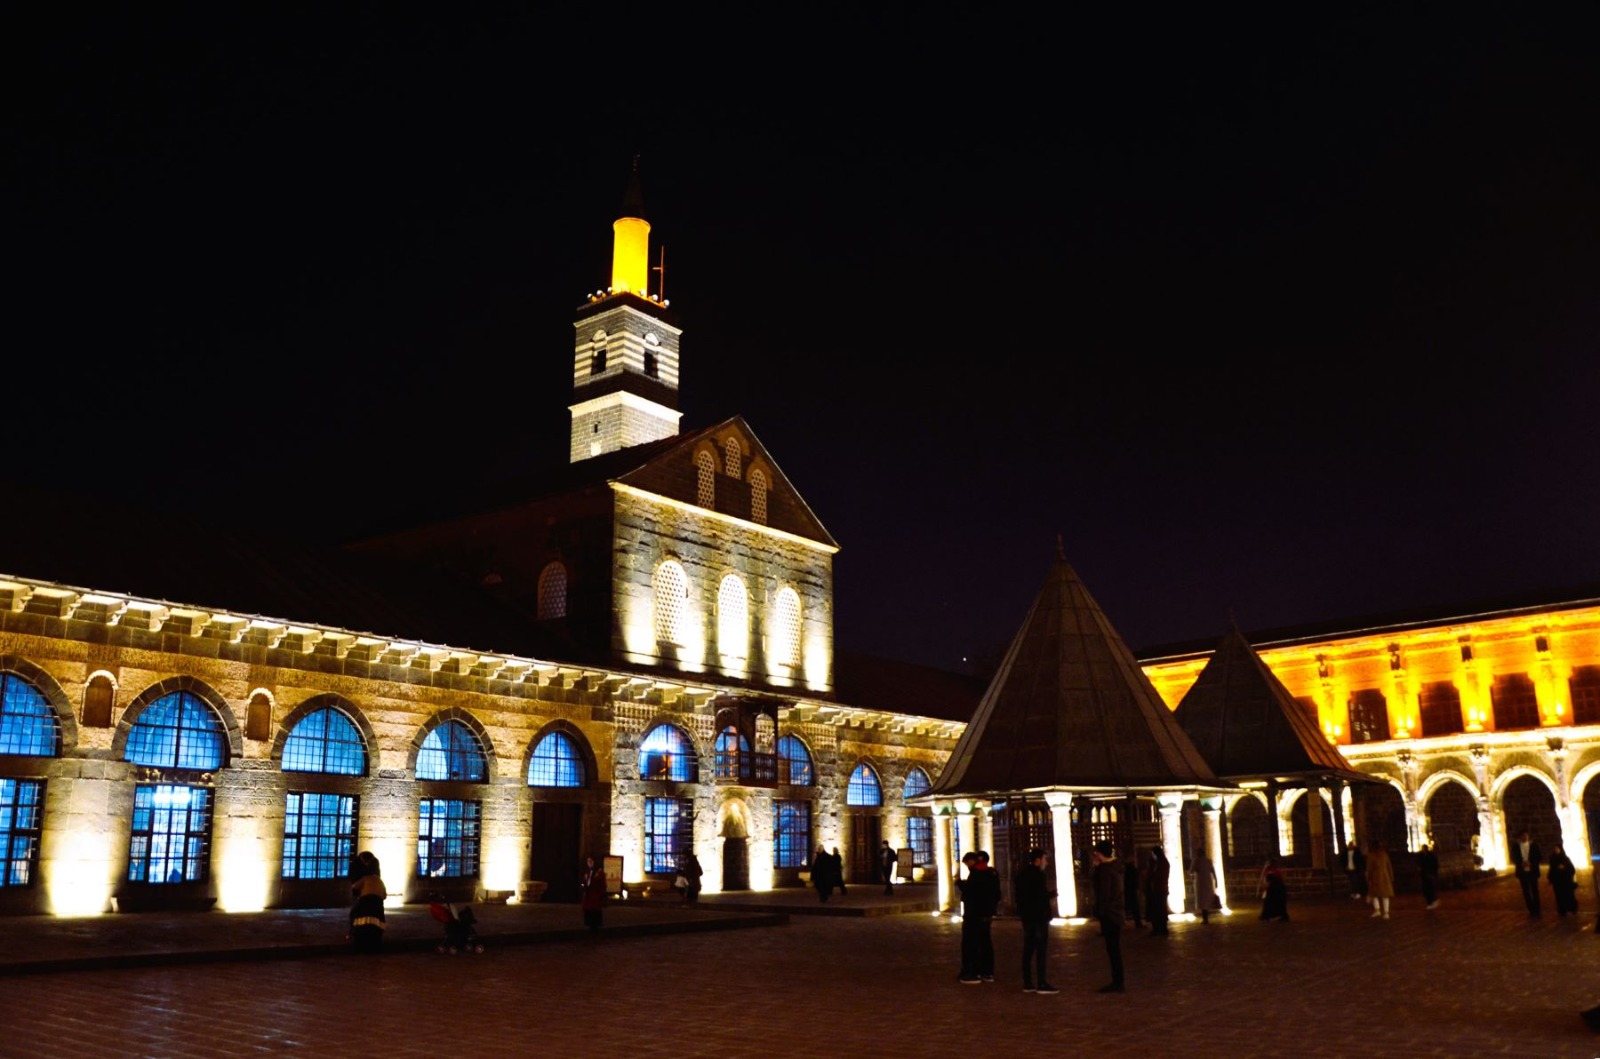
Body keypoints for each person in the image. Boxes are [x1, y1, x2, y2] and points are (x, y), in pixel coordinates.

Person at [1013, 847, 1059, 994]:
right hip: (1039, 917)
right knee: (1041, 951)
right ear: (1038, 860)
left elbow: (1022, 897)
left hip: (1027, 917)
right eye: (1044, 859)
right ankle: (1042, 983)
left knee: (1028, 949)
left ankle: (1027, 982)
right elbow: (1038, 897)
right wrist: (1050, 895)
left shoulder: (1021, 874)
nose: (1046, 862)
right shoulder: (1038, 875)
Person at [956, 850, 1000, 984]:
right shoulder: (992, 873)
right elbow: (997, 895)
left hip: (973, 915)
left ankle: (971, 973)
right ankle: (987, 972)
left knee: (971, 943)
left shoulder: (977, 874)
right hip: (986, 914)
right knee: (985, 942)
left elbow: (970, 891)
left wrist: (960, 883)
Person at [1091, 840, 1125, 993]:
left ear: (1099, 853)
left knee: (1112, 950)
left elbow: (1103, 892)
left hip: (1110, 914)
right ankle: (1118, 981)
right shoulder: (1116, 867)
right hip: (1117, 912)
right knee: (1114, 949)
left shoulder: (1105, 870)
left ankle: (1117, 982)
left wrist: (1100, 912)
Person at [349, 850, 386, 953]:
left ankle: (353, 935)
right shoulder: (378, 879)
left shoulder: (366, 876)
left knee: (356, 915)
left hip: (364, 896)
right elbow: (384, 894)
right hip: (374, 899)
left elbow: (354, 884)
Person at [1511, 830, 1542, 917]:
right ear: (1520, 837)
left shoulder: (1534, 846)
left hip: (1532, 871)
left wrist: (1531, 862)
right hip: (1522, 872)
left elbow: (1539, 857)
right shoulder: (1516, 847)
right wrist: (1521, 863)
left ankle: (1537, 909)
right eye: (1522, 836)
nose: (1524, 837)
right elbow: (1514, 857)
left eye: (1526, 835)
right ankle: (1531, 909)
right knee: (1526, 891)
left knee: (1535, 890)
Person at [1548, 842, 1579, 917]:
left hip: (1566, 881)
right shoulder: (1552, 859)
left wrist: (1564, 868)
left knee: (1569, 895)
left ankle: (1572, 909)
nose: (1556, 850)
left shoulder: (1565, 858)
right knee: (1559, 896)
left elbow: (1572, 869)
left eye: (1557, 849)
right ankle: (1562, 911)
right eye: (1554, 849)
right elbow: (1551, 870)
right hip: (1557, 881)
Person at [1145, 845, 1171, 935]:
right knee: (1158, 909)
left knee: (1159, 909)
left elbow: (1157, 876)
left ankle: (1161, 928)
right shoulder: (1160, 862)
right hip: (1158, 889)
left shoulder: (1161, 863)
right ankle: (1159, 928)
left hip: (1159, 889)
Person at [1366, 839, 1395, 919]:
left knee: (1374, 895)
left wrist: (1368, 878)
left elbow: (1369, 868)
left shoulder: (1371, 856)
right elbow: (1389, 866)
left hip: (1375, 878)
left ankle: (1377, 910)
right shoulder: (1384, 854)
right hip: (1385, 877)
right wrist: (1391, 877)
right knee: (1385, 895)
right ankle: (1386, 912)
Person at [581, 854, 606, 931]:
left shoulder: (599, 872)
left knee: (594, 911)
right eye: (588, 861)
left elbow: (602, 884)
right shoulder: (588, 872)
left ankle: (595, 926)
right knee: (589, 910)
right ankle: (589, 924)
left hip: (595, 895)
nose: (589, 863)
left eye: (591, 861)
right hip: (589, 895)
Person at [1259, 857, 1289, 922]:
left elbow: (1279, 879)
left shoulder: (1276, 871)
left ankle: (1279, 916)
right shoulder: (1269, 870)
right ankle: (1267, 916)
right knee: (1269, 902)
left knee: (1276, 902)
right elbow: (1265, 879)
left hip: (1277, 889)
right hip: (1272, 889)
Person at [1194, 856, 1221, 924]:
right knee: (1206, 900)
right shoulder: (1208, 860)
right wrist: (1216, 881)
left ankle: (1205, 918)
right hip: (1208, 882)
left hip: (1200, 882)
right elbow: (1213, 871)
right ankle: (1206, 918)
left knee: (1202, 901)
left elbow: (1191, 871)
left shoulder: (1196, 860)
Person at [1124, 848, 1145, 928]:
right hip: (1131, 889)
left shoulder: (1126, 868)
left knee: (1128, 906)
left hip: (1128, 889)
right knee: (1134, 907)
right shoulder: (1131, 868)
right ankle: (1138, 923)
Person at [1418, 842, 1441, 910]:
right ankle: (1429, 902)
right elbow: (1420, 864)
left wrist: (1432, 873)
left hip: (1430, 875)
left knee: (1431, 889)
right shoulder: (1421, 856)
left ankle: (1433, 901)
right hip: (1424, 875)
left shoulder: (1431, 856)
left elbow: (1435, 865)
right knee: (1426, 890)